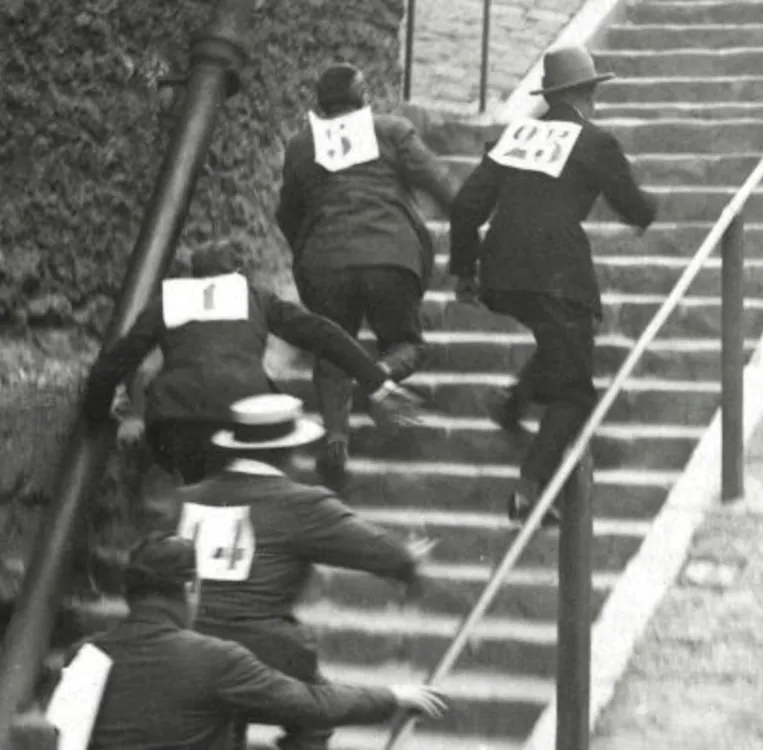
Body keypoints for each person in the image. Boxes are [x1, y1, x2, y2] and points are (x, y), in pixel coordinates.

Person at [448, 46, 658, 525]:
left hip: (501, 273)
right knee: (575, 392)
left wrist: (465, 271)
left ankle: (512, 400)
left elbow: (464, 207)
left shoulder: (516, 134)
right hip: (557, 275)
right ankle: (530, 490)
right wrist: (652, 208)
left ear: (552, 95)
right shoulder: (594, 141)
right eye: (594, 94)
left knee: (565, 341)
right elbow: (636, 209)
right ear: (586, 94)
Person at [165, 393, 435, 750]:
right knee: (314, 713)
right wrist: (409, 560)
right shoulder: (302, 503)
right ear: (289, 452)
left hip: (181, 642)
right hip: (261, 653)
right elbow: (388, 555)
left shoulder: (186, 499)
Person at [82, 242, 423, 486]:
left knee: (194, 489)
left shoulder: (167, 301)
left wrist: (98, 409)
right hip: (242, 417)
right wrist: (375, 381)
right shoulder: (254, 297)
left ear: (194, 275)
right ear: (238, 272)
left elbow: (117, 358)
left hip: (175, 419)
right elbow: (322, 334)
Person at [61, 534, 445, 750]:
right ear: (189, 588)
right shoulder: (214, 658)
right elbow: (311, 703)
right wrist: (392, 696)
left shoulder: (84, 655)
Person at [276, 62, 455, 485]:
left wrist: (312, 245)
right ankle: (381, 377)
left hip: (325, 261)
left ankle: (336, 436)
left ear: (319, 107)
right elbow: (441, 185)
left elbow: (287, 214)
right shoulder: (392, 130)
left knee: (333, 346)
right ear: (364, 100)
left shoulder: (302, 145)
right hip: (391, 256)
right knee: (407, 342)